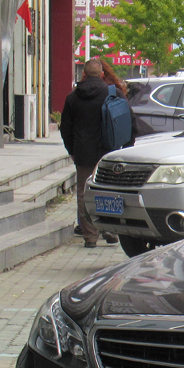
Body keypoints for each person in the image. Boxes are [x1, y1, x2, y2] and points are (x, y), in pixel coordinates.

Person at [60, 58, 118, 247]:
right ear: (101, 74)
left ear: (83, 74)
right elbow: (127, 122)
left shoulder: (73, 97)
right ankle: (109, 229)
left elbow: (65, 128)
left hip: (83, 152)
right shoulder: (112, 94)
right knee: (108, 190)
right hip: (108, 152)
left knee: (84, 193)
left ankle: (90, 236)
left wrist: (72, 150)